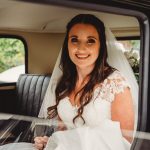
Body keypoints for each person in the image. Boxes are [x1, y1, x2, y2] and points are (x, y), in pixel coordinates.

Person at [34, 14, 137, 150]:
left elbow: (124, 141)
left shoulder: (115, 84)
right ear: (67, 45)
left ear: (101, 46)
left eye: (90, 41)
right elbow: (63, 132)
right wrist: (51, 142)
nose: (81, 48)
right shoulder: (63, 83)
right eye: (74, 40)